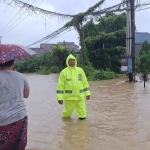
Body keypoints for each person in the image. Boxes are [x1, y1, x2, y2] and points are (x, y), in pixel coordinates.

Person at [0, 60, 30, 150]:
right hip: (19, 116)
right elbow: (26, 95)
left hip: (1, 118)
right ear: (13, 63)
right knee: (18, 146)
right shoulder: (22, 76)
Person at [56, 54, 91, 120]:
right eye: (70, 60)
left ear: (75, 61)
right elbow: (60, 86)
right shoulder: (63, 72)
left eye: (73, 60)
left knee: (82, 115)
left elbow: (85, 83)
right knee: (66, 116)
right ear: (67, 62)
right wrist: (59, 98)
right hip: (69, 98)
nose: (72, 61)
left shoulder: (80, 70)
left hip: (80, 97)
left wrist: (88, 93)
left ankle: (82, 129)